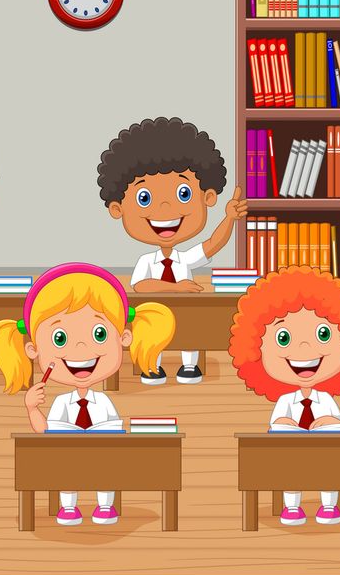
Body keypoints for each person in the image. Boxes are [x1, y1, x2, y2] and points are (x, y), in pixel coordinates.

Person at [0, 263, 175, 526]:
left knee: (107, 467)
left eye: (99, 334)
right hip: (66, 460)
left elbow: (116, 433)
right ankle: (68, 506)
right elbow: (44, 432)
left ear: (123, 338)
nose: (81, 347)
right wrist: (31, 408)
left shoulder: (104, 401)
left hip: (104, 459)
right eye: (60, 338)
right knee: (66, 467)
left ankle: (105, 505)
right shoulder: (62, 402)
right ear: (33, 349)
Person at [98, 116, 248, 384]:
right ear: (118, 209)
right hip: (154, 316)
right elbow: (141, 287)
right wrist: (177, 289)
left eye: (183, 194)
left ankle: (189, 366)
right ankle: (151, 365)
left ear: (208, 197)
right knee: (152, 330)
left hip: (183, 314)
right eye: (145, 198)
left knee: (192, 324)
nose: (165, 210)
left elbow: (213, 243)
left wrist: (229, 219)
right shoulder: (147, 260)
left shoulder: (185, 258)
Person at [228, 265, 340, 526]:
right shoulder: (285, 401)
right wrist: (287, 425)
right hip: (291, 454)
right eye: (283, 337)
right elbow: (276, 424)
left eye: (323, 334)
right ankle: (291, 506)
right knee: (288, 464)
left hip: (325, 455)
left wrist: (327, 423)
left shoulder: (326, 399)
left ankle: (329, 505)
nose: (305, 348)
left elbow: (338, 424)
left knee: (331, 464)